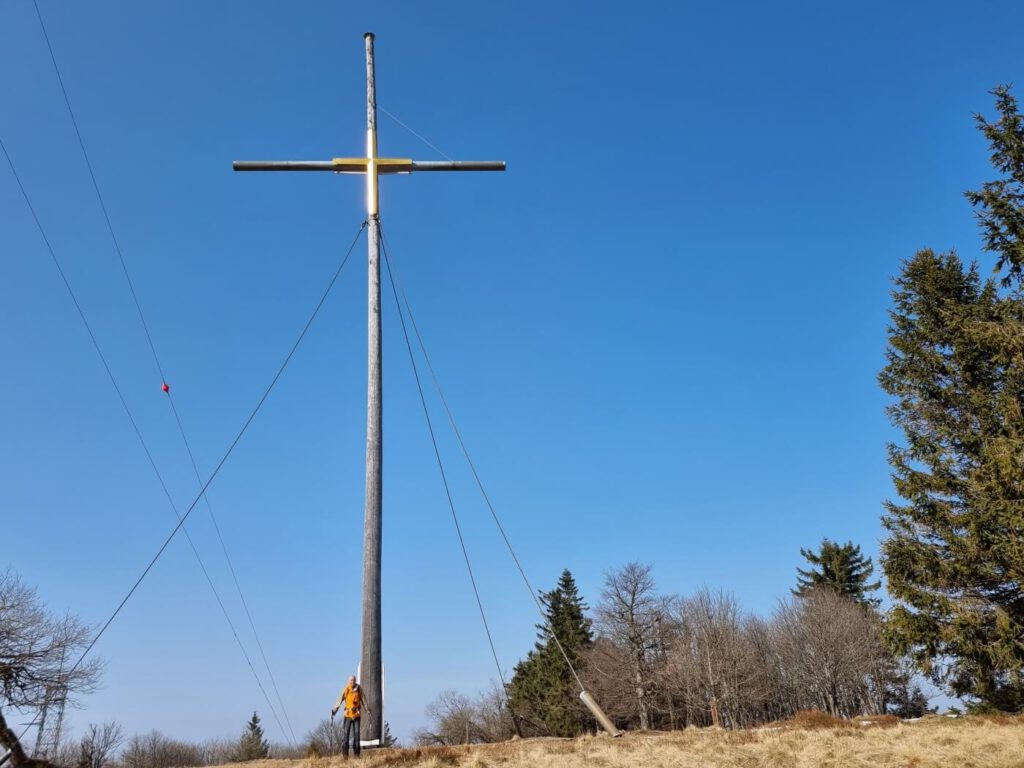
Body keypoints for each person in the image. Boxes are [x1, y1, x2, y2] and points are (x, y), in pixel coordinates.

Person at [332, 675, 366, 758]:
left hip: (357, 715)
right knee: (345, 735)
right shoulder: (346, 689)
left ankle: (357, 755)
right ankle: (345, 755)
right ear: (348, 681)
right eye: (351, 681)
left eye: (353, 680)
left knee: (357, 735)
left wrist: (368, 710)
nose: (352, 682)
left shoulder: (359, 689)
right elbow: (339, 700)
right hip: (347, 715)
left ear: (355, 680)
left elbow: (364, 700)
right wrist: (334, 711)